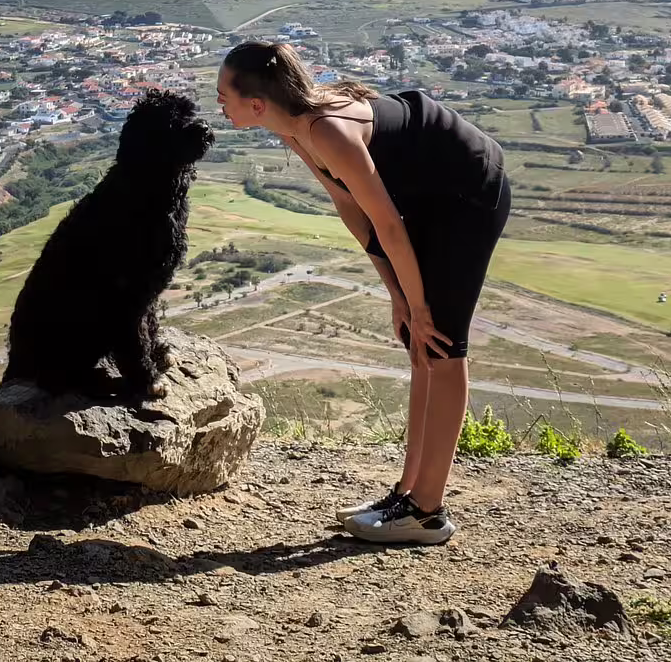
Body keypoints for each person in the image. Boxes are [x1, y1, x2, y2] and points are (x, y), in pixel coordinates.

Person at [216, 40, 510, 546]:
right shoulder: (293, 128)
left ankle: (427, 512)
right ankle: (406, 494)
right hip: (424, 193)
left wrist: (419, 307)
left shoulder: (324, 130)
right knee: (419, 345)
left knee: (440, 343)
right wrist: (397, 293)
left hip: (468, 191)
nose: (219, 103)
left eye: (224, 95)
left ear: (257, 104)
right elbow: (352, 209)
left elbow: (389, 226)